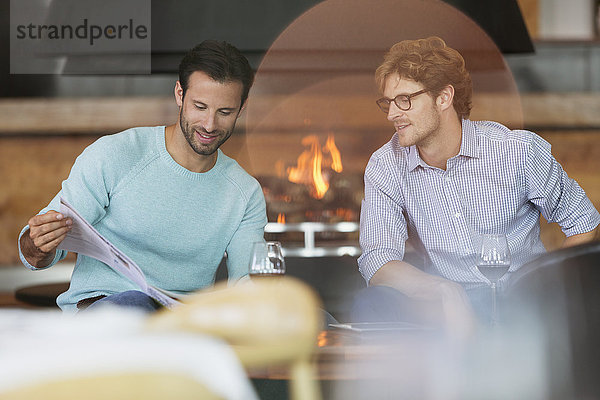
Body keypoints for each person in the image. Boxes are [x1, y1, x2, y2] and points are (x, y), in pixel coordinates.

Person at [353, 36, 600, 335]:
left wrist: (545, 288)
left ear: (443, 98)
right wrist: (445, 290)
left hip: (524, 308)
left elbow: (583, 222)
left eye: (405, 100)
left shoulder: (516, 152)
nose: (392, 114)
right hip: (445, 315)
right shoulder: (386, 164)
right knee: (371, 302)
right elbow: (378, 259)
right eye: (388, 103)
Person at [18, 40, 267, 313]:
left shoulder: (245, 192)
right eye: (200, 107)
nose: (210, 124)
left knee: (316, 317)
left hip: (185, 324)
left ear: (241, 109)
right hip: (107, 314)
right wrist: (39, 245)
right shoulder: (115, 155)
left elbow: (246, 283)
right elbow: (36, 252)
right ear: (179, 95)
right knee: (134, 304)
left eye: (225, 112)